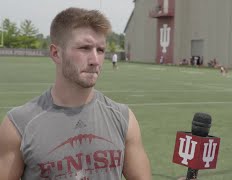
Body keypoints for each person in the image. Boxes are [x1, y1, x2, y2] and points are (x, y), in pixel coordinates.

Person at [0, 7, 151, 180]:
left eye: (100, 50)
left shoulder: (124, 118)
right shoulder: (19, 125)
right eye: (84, 48)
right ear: (56, 53)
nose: (95, 60)